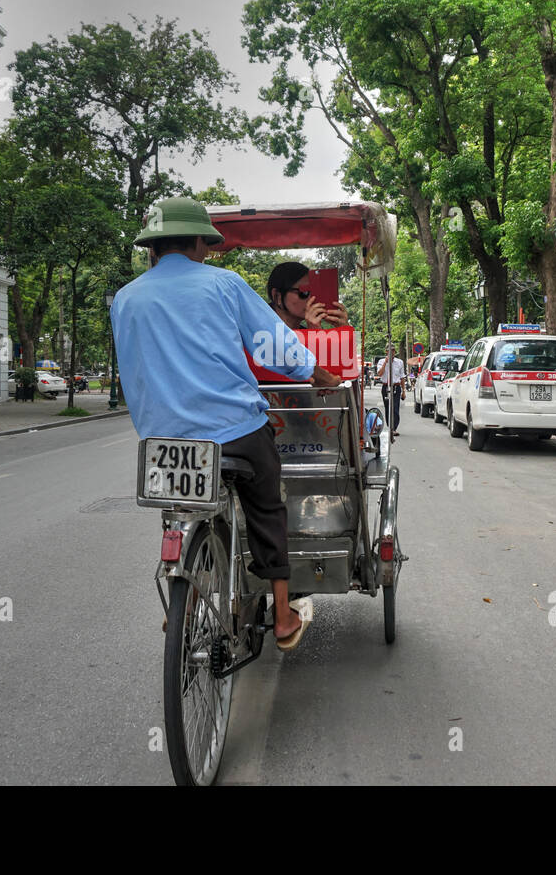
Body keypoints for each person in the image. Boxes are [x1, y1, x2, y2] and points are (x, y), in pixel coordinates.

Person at [111, 197, 342, 652]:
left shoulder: (125, 298)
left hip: (161, 439)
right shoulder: (224, 284)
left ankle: (182, 600)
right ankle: (281, 617)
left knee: (179, 511)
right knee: (267, 507)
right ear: (200, 241)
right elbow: (278, 350)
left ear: (154, 247)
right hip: (235, 429)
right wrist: (321, 375)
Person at [266, 262, 349, 330]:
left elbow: (357, 350)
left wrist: (345, 331)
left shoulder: (310, 329)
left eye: (313, 292)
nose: (311, 299)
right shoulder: (258, 333)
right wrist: (314, 336)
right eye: (304, 292)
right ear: (277, 296)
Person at [375, 345, 405, 437]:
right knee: (388, 407)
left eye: (392, 351)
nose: (391, 352)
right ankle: (390, 428)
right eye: (389, 351)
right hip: (385, 387)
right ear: (386, 352)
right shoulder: (381, 361)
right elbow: (379, 373)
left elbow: (402, 376)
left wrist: (404, 390)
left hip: (396, 387)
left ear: (394, 352)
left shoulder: (399, 362)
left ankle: (394, 428)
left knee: (395, 408)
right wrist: (385, 363)